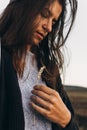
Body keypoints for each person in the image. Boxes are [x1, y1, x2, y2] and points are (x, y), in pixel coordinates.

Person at [0, 0, 79, 130]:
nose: (48, 27)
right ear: (23, 7)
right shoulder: (3, 59)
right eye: (44, 14)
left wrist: (66, 120)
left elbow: (72, 125)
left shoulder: (49, 69)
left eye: (53, 22)